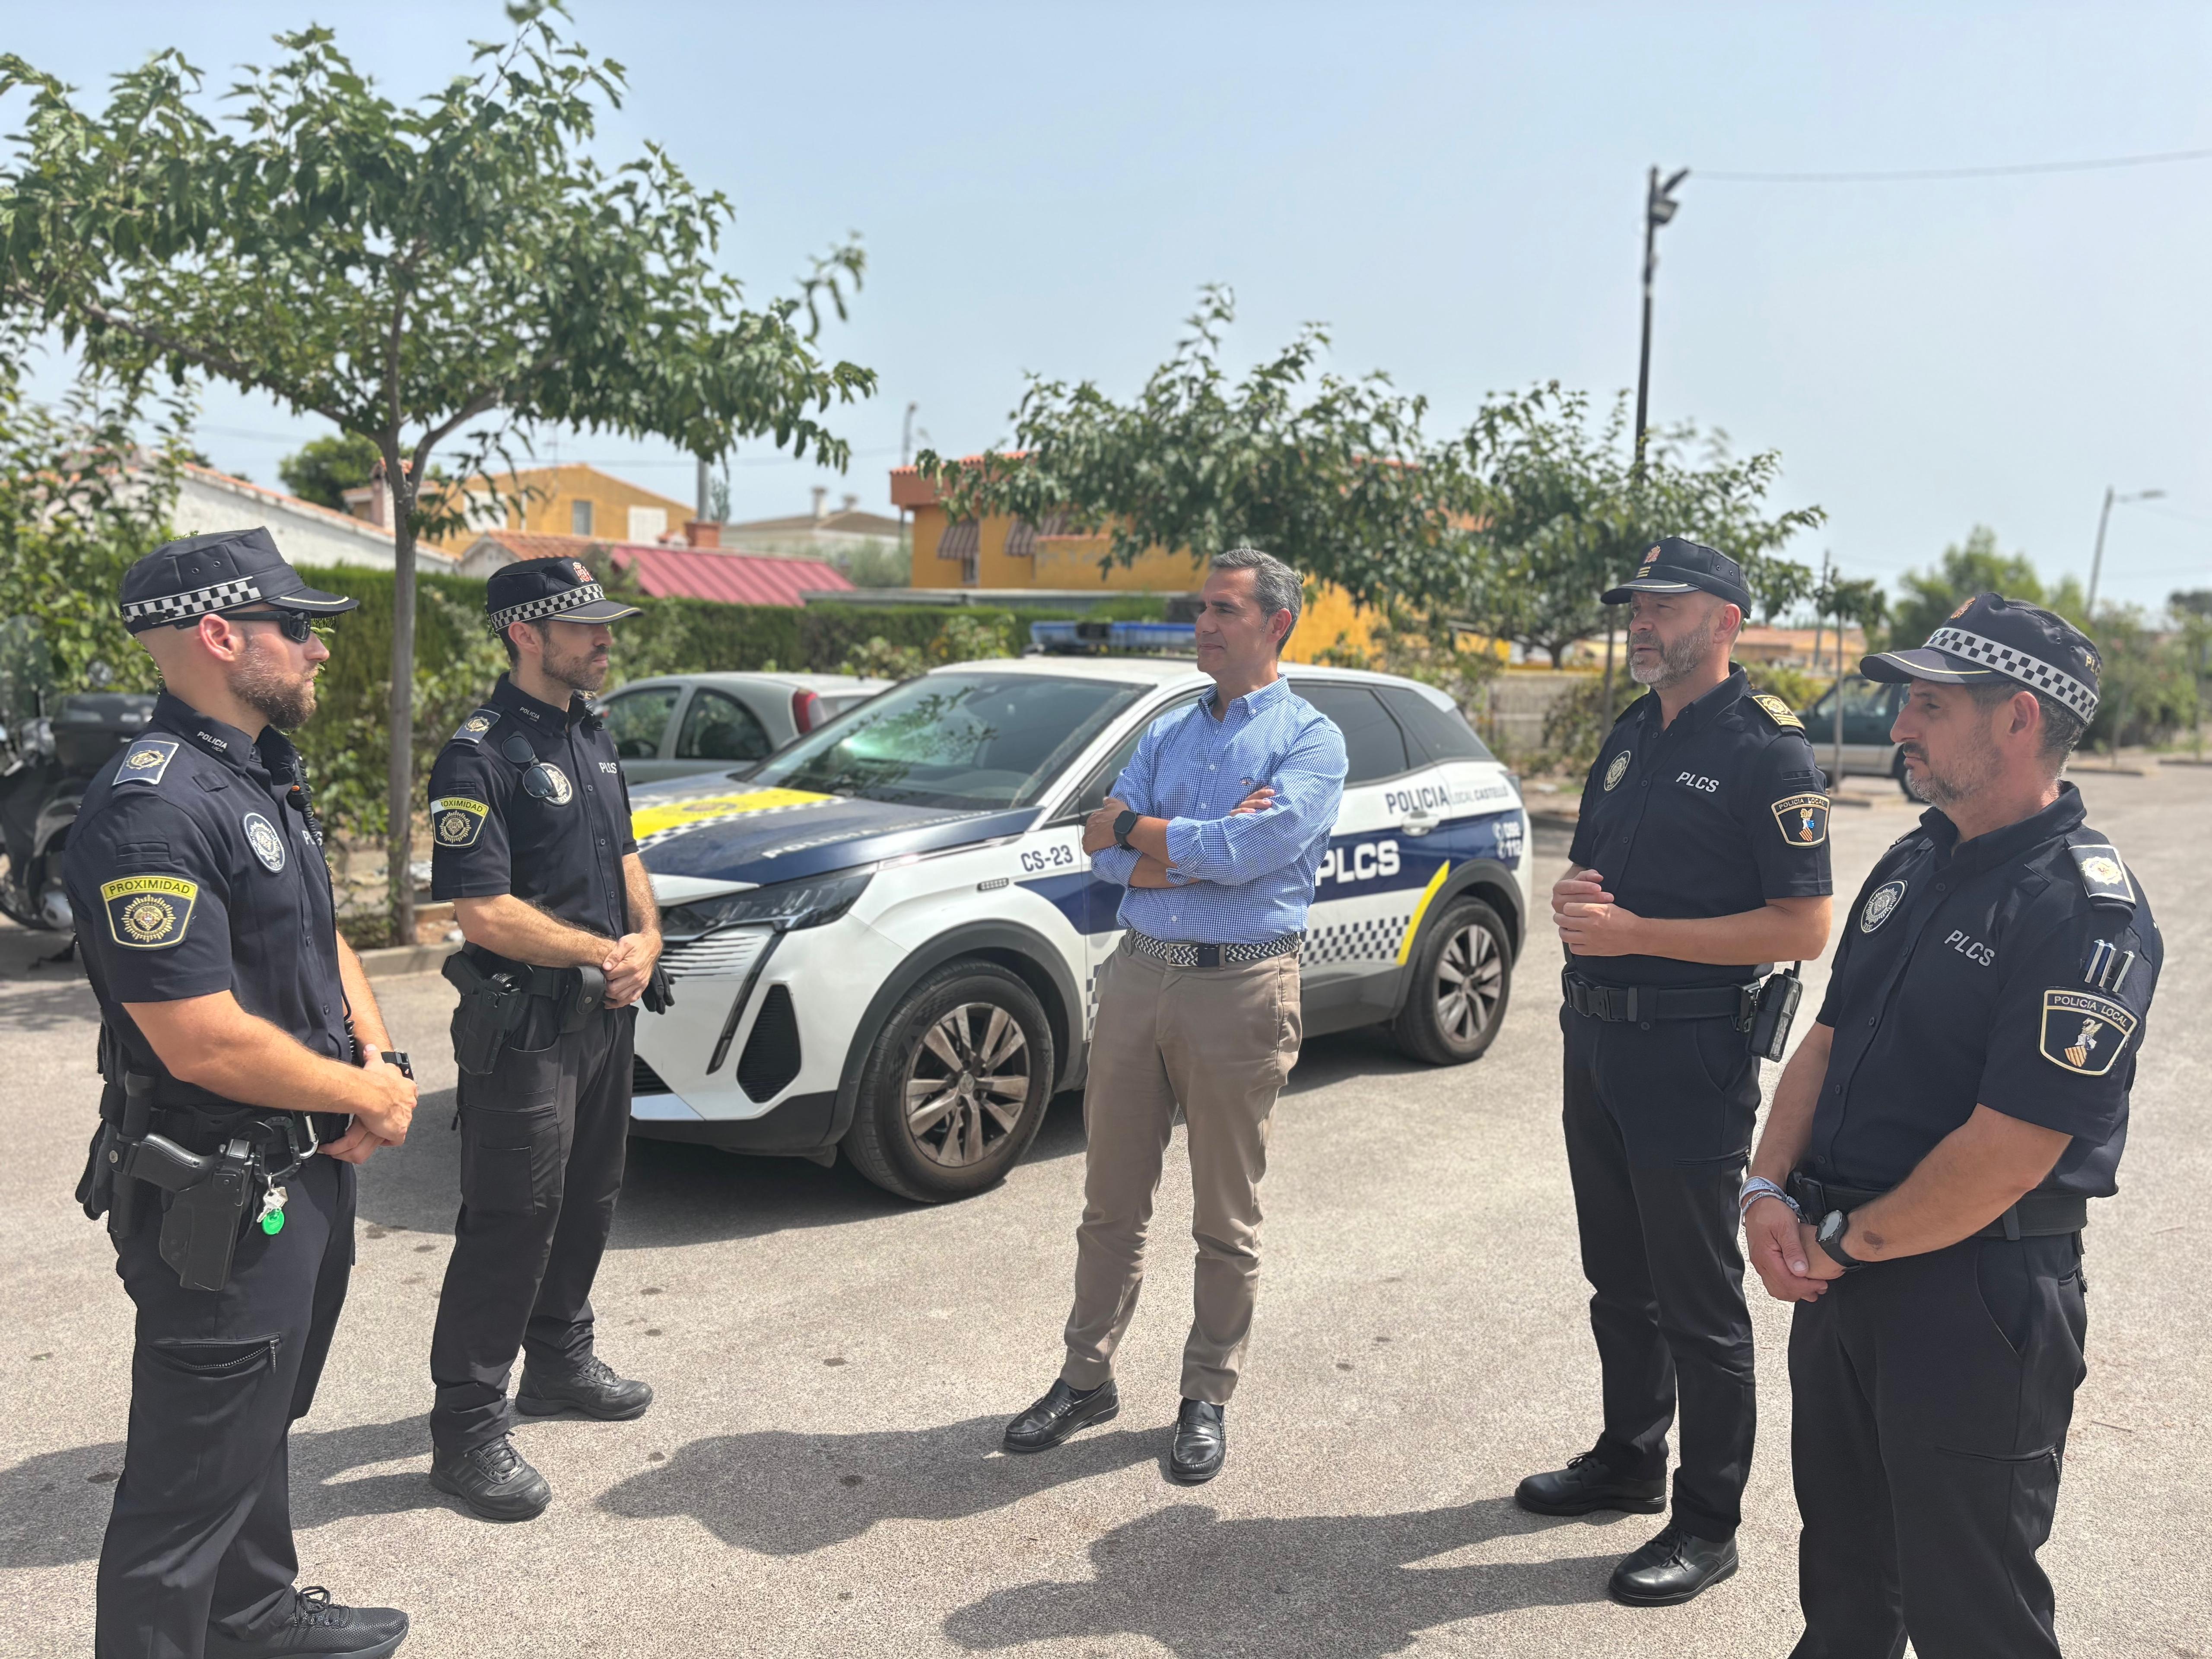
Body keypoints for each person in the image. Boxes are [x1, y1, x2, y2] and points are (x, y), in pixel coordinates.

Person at [1743, 594, 2158, 1659]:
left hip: (1970, 1300)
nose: (1899, 727)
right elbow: (1828, 1040)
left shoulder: (2084, 913)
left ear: (2018, 719)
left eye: (1928, 704)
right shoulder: (1914, 859)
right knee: (1841, 1574)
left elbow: (2010, 1151)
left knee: (1971, 1609)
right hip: (1842, 1273)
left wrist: (1836, 1243)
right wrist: (1764, 1192)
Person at [66, 528, 417, 1659]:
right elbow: (203, 1040)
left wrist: (379, 1069)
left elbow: (324, 943)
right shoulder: (151, 807)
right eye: (300, 627)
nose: (319, 652)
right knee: (183, 1493)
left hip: (301, 1166)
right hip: (218, 1193)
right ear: (222, 636)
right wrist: (358, 1093)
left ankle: (256, 1616)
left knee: (260, 1423)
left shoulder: (258, 770)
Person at [1519, 536, 1834, 1605]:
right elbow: (1598, 877)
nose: (1641, 621)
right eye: (1635, 606)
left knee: (1700, 1301)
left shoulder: (1767, 750)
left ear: (1727, 622)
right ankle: (1627, 1459)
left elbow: (1803, 925)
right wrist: (1577, 908)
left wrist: (1644, 933)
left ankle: (1708, 1522)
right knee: (1619, 1278)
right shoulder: (1629, 733)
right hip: (1598, 1040)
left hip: (1692, 1049)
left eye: (1664, 605)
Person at [999, 547, 1347, 1484]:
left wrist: (1154, 839)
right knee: (1109, 1203)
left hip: (1240, 990)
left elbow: (1257, 845)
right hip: (1139, 978)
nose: (1202, 623)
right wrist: (1183, 847)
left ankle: (1206, 1395)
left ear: (1275, 623)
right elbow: (1095, 844)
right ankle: (1084, 1380)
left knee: (1225, 1218)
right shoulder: (1167, 732)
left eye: (1223, 609)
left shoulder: (1311, 740)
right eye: (1201, 607)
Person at [422, 556, 665, 1522]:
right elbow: (481, 910)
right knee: (510, 1218)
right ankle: (467, 1429)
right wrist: (606, 950)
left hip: (604, 1015)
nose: (608, 639)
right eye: (587, 626)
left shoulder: (589, 732)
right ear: (526, 633)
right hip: (526, 1025)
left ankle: (559, 1362)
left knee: (591, 1197)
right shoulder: (477, 755)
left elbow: (627, 853)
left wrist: (645, 939)